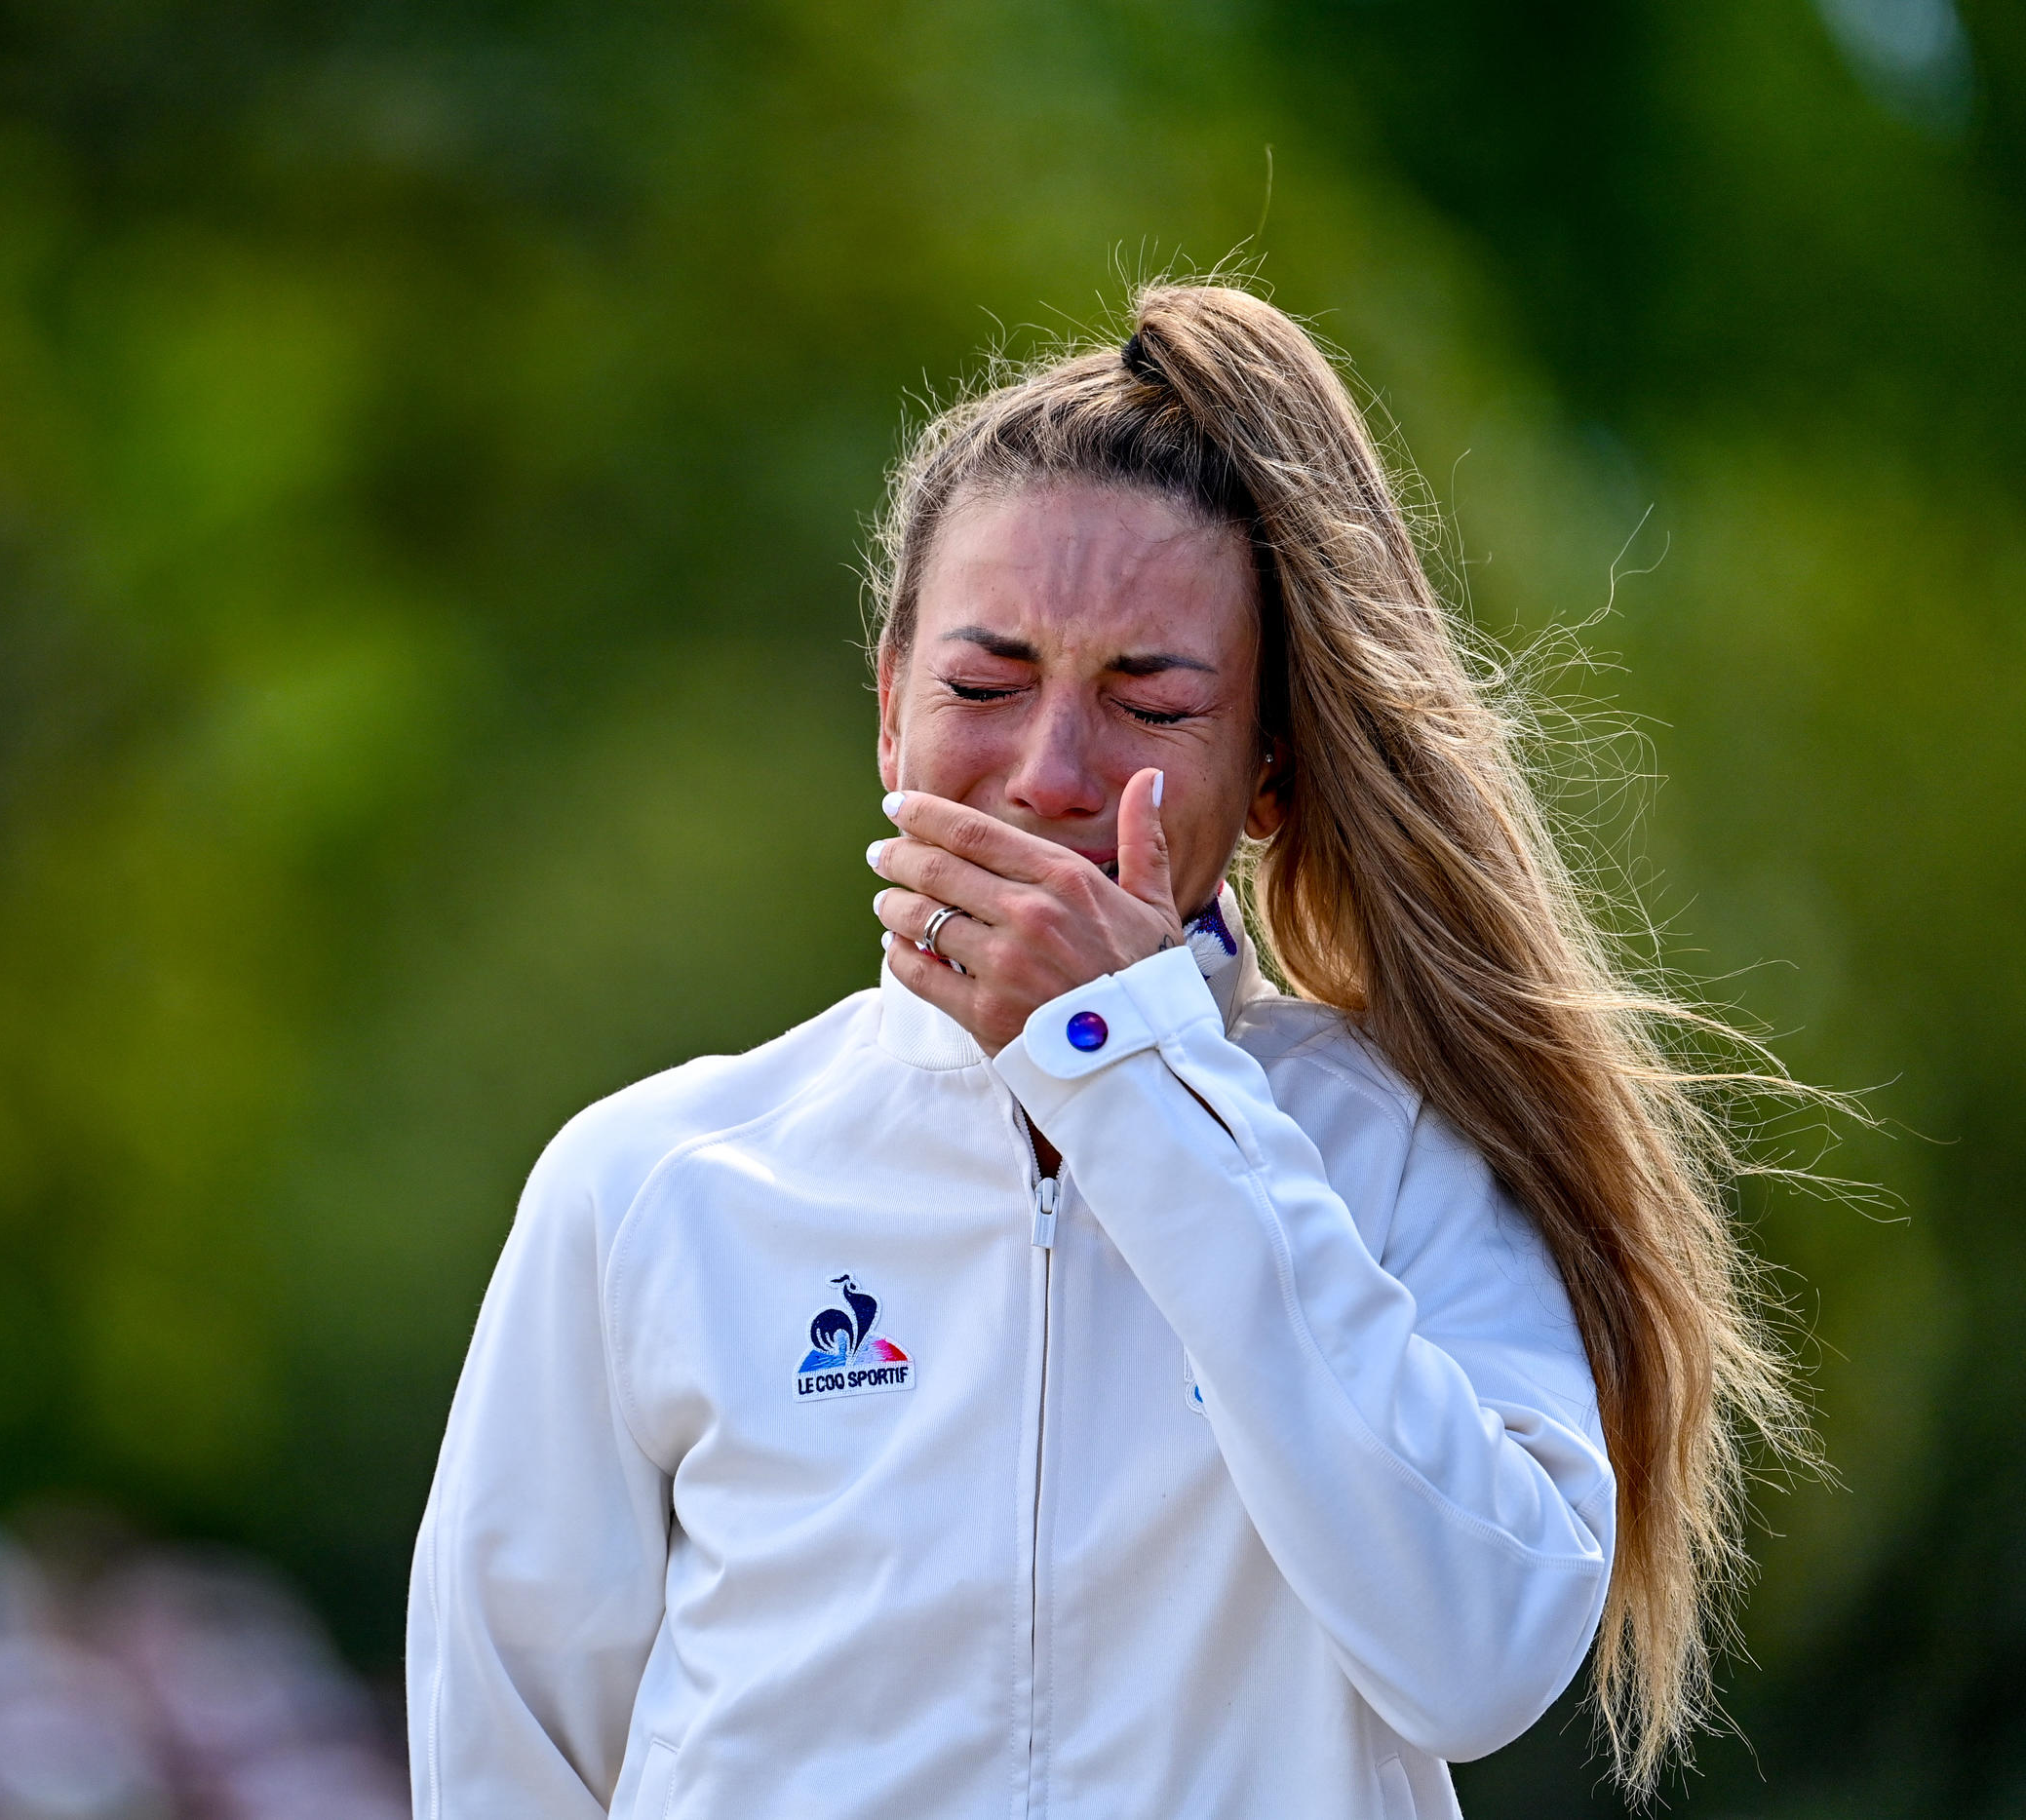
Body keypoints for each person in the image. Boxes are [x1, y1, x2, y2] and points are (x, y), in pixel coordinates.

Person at [406, 283, 1799, 1819]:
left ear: (1267, 769)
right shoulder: (652, 1185)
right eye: (985, 686)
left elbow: (1479, 1661)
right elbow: (501, 1766)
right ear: (887, 712)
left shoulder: (1403, 1150)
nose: (1052, 772)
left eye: (1150, 702)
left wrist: (1127, 1075)